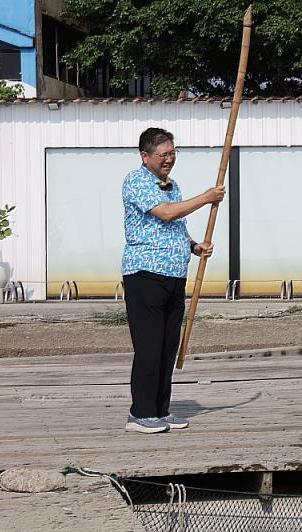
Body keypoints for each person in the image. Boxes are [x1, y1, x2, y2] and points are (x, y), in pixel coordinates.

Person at [122, 127, 225, 434]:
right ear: (146, 156)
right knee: (150, 345)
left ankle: (160, 410)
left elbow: (175, 226)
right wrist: (206, 198)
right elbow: (166, 213)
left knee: (168, 345)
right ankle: (140, 413)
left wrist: (194, 246)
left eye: (172, 153)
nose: (169, 159)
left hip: (174, 275)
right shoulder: (136, 180)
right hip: (145, 274)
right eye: (163, 154)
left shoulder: (172, 184)